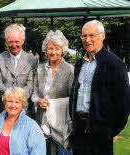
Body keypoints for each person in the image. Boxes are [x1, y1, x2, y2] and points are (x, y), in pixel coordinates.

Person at [69, 20, 130, 154]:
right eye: (84, 36)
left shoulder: (115, 64)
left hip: (101, 133)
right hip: (79, 130)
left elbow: (124, 102)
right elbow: (74, 95)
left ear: (102, 36)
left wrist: (113, 130)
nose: (87, 40)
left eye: (92, 35)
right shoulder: (80, 64)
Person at [31, 30, 74, 155]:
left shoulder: (70, 70)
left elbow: (73, 98)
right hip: (42, 121)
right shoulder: (39, 70)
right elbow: (34, 93)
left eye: (57, 49)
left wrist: (54, 103)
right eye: (50, 48)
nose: (53, 52)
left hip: (62, 124)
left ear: (62, 50)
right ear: (45, 50)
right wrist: (38, 101)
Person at [0, 23, 38, 117]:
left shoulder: (31, 60)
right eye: (10, 42)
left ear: (23, 40)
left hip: (26, 113)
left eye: (17, 42)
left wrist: (16, 98)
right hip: (4, 112)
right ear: (6, 41)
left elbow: (31, 87)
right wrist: (11, 97)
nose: (13, 45)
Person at [0, 87, 46, 155]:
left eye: (17, 102)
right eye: (10, 101)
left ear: (23, 105)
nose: (13, 105)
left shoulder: (32, 127)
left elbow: (39, 152)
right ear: (5, 103)